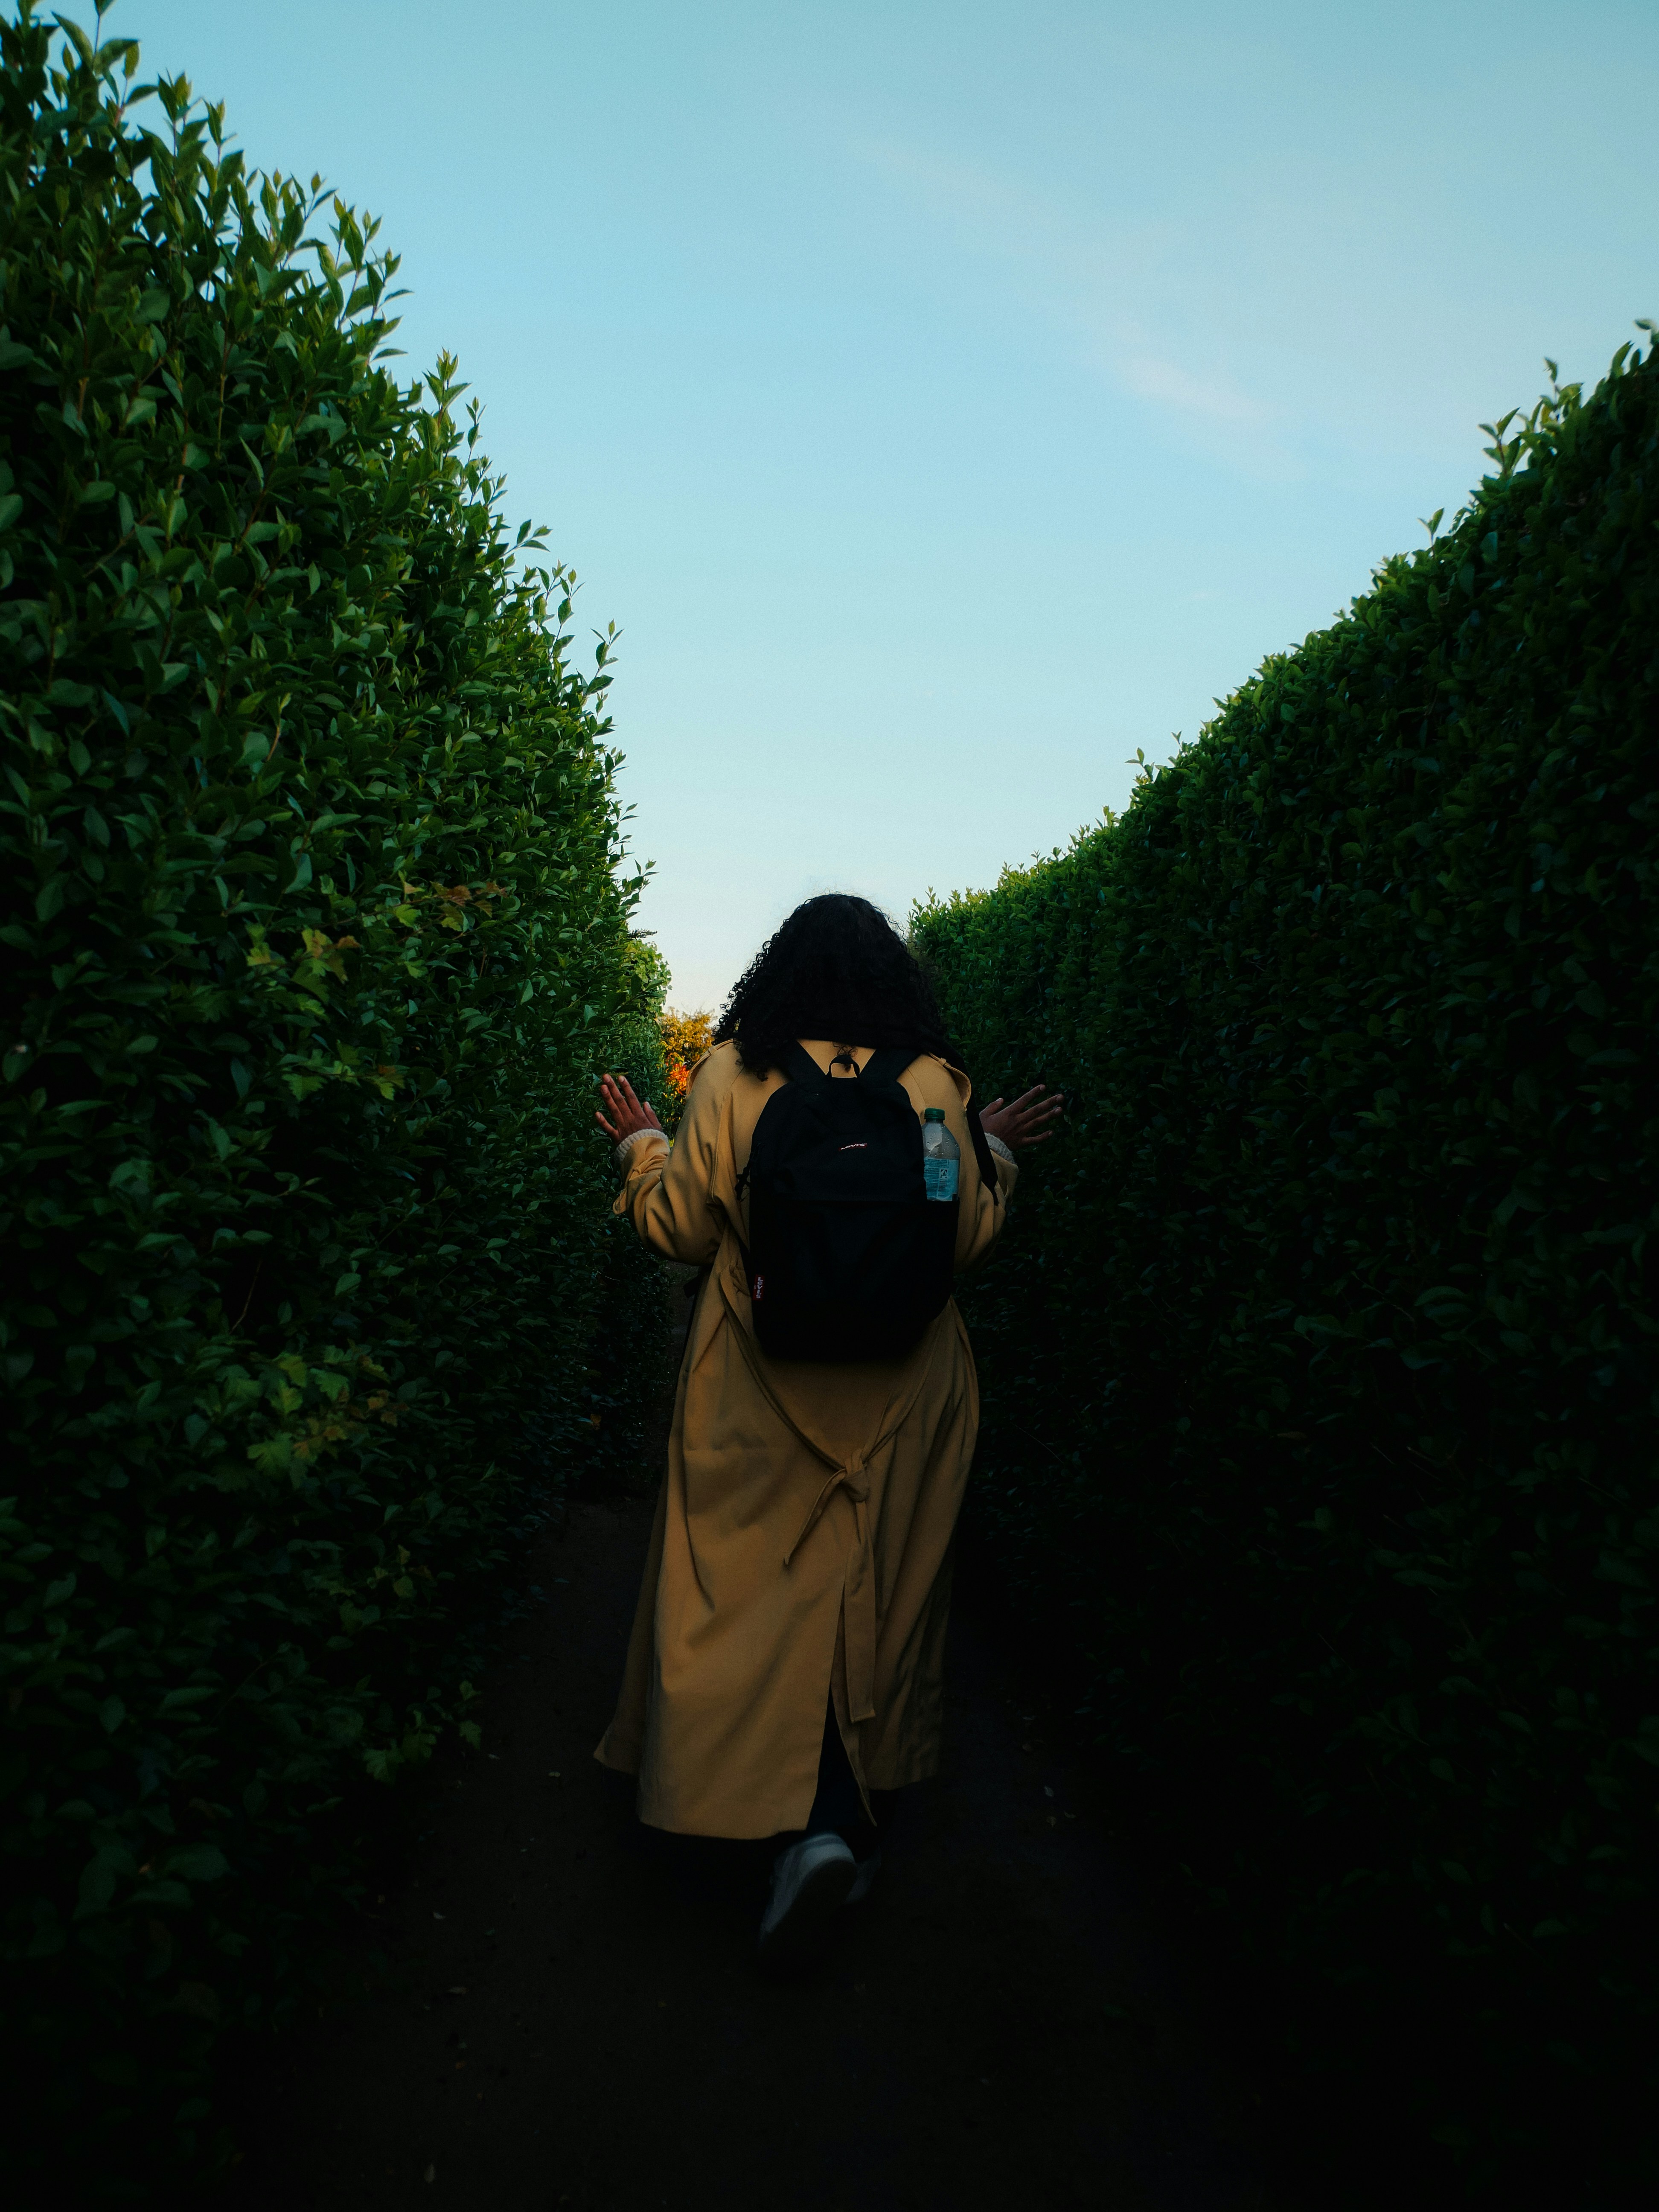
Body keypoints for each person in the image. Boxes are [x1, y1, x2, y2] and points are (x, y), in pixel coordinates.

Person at [592, 894, 1059, 1967]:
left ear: (779, 973)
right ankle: (834, 1824)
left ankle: (723, 1804)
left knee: (736, 1592)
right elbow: (964, 1236)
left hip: (753, 1386)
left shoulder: (731, 1075)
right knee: (873, 1596)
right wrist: (990, 1153)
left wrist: (644, 1145)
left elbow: (678, 1229)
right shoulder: (938, 1089)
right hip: (905, 1392)